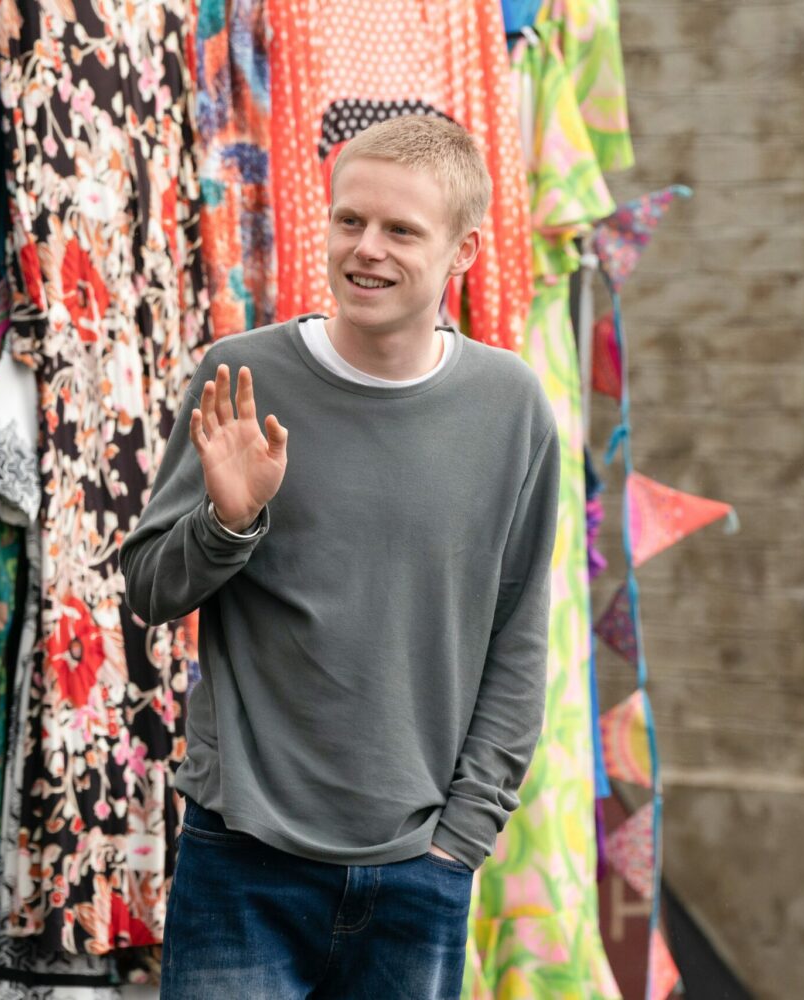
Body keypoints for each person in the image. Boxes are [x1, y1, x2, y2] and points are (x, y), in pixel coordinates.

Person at [122, 115, 559, 998]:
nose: (368, 249)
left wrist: (459, 840)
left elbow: (517, 638)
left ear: (464, 250)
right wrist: (228, 522)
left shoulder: (509, 407)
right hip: (242, 856)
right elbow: (148, 591)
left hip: (417, 871)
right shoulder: (242, 377)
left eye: (402, 230)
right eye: (349, 220)